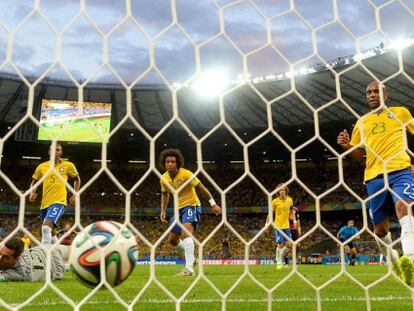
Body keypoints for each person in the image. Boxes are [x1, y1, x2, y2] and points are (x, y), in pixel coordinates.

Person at [337, 81, 414, 285]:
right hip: (374, 177)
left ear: (385, 94)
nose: (372, 95)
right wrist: (347, 146)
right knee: (380, 230)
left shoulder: (401, 113)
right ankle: (395, 262)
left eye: (376, 91)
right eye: (369, 92)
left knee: (403, 207)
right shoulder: (362, 122)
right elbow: (358, 157)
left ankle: (412, 261)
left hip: (400, 170)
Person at [159, 148, 221, 276]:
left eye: (172, 162)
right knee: (173, 240)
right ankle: (193, 260)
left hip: (191, 206)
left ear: (177, 163)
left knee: (186, 233)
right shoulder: (163, 178)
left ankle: (189, 269)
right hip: (177, 210)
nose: (170, 164)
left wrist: (213, 204)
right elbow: (165, 194)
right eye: (167, 162)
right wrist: (163, 210)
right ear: (164, 163)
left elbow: (201, 187)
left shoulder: (186, 174)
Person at [29, 143, 81, 245]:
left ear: (61, 152)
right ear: (49, 152)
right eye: (53, 150)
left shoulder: (68, 165)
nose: (55, 152)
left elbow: (77, 179)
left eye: (58, 150)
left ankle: (44, 255)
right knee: (51, 233)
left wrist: (75, 194)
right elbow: (34, 181)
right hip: (45, 204)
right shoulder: (42, 167)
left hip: (59, 201)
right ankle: (59, 255)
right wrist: (32, 192)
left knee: (45, 228)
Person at [0, 237, 69, 282]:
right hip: (45, 249)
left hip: (55, 267)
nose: (1, 258)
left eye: (6, 257)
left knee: (77, 249)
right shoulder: (16, 250)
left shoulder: (19, 273)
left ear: (17, 258)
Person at [270, 184, 293, 270]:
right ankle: (279, 263)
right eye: (280, 190)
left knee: (289, 245)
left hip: (286, 226)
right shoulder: (275, 201)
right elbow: (270, 212)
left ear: (286, 191)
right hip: (278, 226)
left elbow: (291, 211)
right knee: (280, 245)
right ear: (278, 192)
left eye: (283, 190)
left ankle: (279, 258)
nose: (282, 191)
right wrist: (267, 222)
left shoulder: (290, 200)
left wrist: (293, 220)